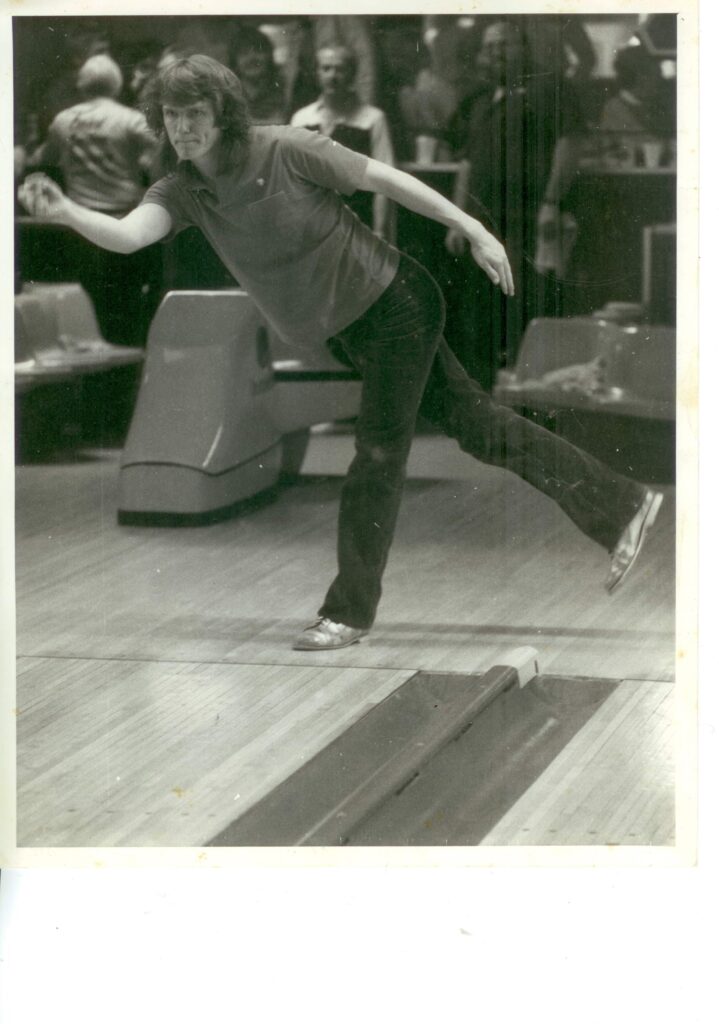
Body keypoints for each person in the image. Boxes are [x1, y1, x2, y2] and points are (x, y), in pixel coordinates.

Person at [18, 55, 662, 651]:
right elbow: (130, 237)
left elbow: (389, 180)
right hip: (355, 326)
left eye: (195, 114)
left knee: (378, 454)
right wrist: (69, 209)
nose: (182, 128)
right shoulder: (182, 189)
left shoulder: (287, 147)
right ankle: (624, 502)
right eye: (172, 115)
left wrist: (473, 229)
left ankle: (348, 611)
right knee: (475, 425)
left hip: (397, 302)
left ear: (222, 115)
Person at [445, 19, 586, 387]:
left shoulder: (550, 90)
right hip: (481, 225)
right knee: (481, 314)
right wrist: (456, 219)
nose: (495, 53)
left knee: (526, 307)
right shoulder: (478, 101)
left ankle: (530, 400)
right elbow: (467, 163)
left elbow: (570, 144)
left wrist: (552, 202)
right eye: (488, 47)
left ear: (524, 49)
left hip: (528, 221)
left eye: (504, 45)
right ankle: (489, 398)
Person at [23, 54, 161, 345]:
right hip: (126, 222)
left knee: (92, 304)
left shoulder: (63, 120)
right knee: (129, 303)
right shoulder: (131, 120)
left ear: (82, 86)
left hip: (79, 227)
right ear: (117, 84)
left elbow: (42, 159)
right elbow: (165, 153)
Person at [291, 44, 394, 238]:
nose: (333, 76)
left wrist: (379, 230)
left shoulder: (372, 119)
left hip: (360, 225)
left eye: (340, 68)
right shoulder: (302, 119)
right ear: (317, 73)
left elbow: (384, 181)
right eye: (326, 68)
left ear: (352, 73)